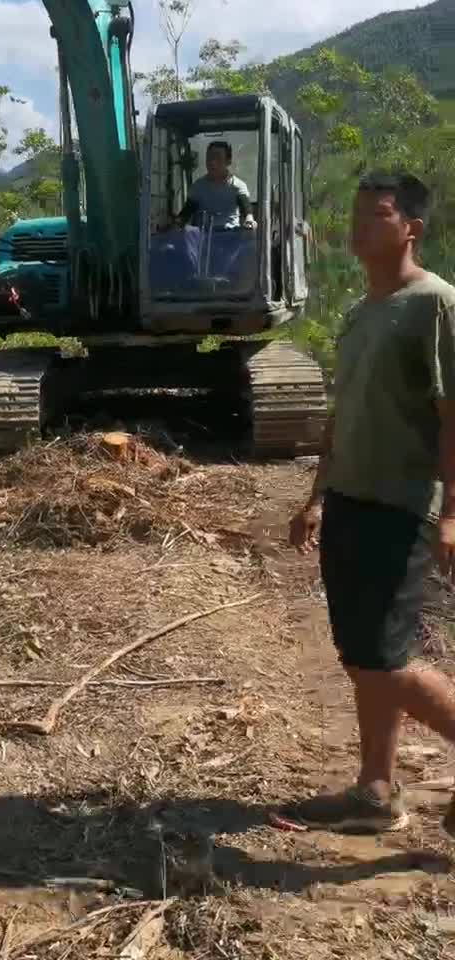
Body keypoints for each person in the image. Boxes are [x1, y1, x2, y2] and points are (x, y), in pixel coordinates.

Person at [286, 172, 455, 837]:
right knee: (363, 654)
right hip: (351, 502)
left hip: (401, 505)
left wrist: (449, 515)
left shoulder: (434, 304)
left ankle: (378, 788)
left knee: (384, 659)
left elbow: (452, 417)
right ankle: (376, 789)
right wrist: (315, 497)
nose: (360, 225)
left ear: (411, 228)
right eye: (356, 212)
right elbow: (341, 416)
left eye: (377, 214)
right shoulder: (359, 313)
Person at [179, 141, 255, 230]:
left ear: (228, 161)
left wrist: (249, 220)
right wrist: (176, 223)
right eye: (209, 158)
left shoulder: (237, 186)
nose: (212, 162)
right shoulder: (198, 187)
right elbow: (186, 213)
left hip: (230, 237)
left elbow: (246, 208)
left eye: (218, 158)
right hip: (203, 237)